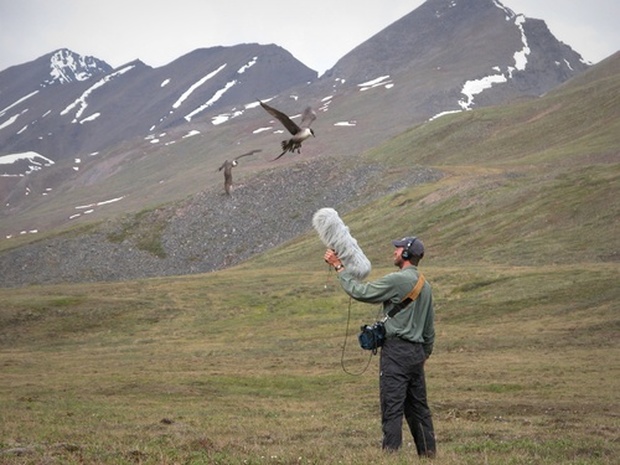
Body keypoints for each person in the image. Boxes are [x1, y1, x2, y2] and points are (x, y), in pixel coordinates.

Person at [324, 236, 436, 457]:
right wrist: (423, 355)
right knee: (419, 410)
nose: (394, 251)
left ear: (405, 254)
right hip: (416, 354)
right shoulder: (427, 285)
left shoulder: (398, 280)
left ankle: (391, 457)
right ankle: (429, 456)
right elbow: (429, 331)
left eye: (398, 249)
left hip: (396, 353)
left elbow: (361, 292)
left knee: (392, 407)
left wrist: (339, 267)